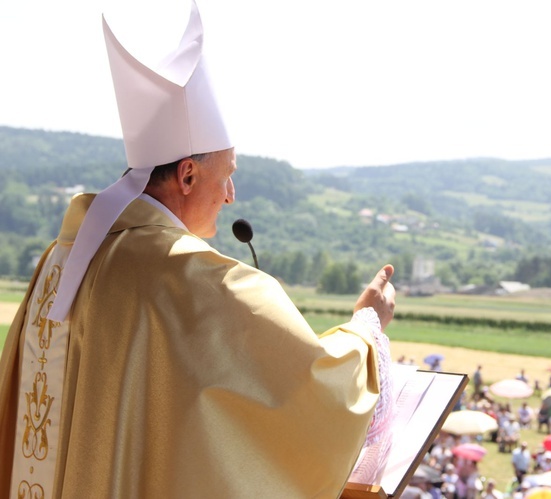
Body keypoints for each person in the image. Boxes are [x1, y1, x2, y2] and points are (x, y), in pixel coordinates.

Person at [0, 5, 395, 498]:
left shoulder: (61, 260)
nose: (231, 194)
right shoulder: (193, 277)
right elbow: (316, 387)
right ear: (187, 175)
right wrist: (367, 327)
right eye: (227, 174)